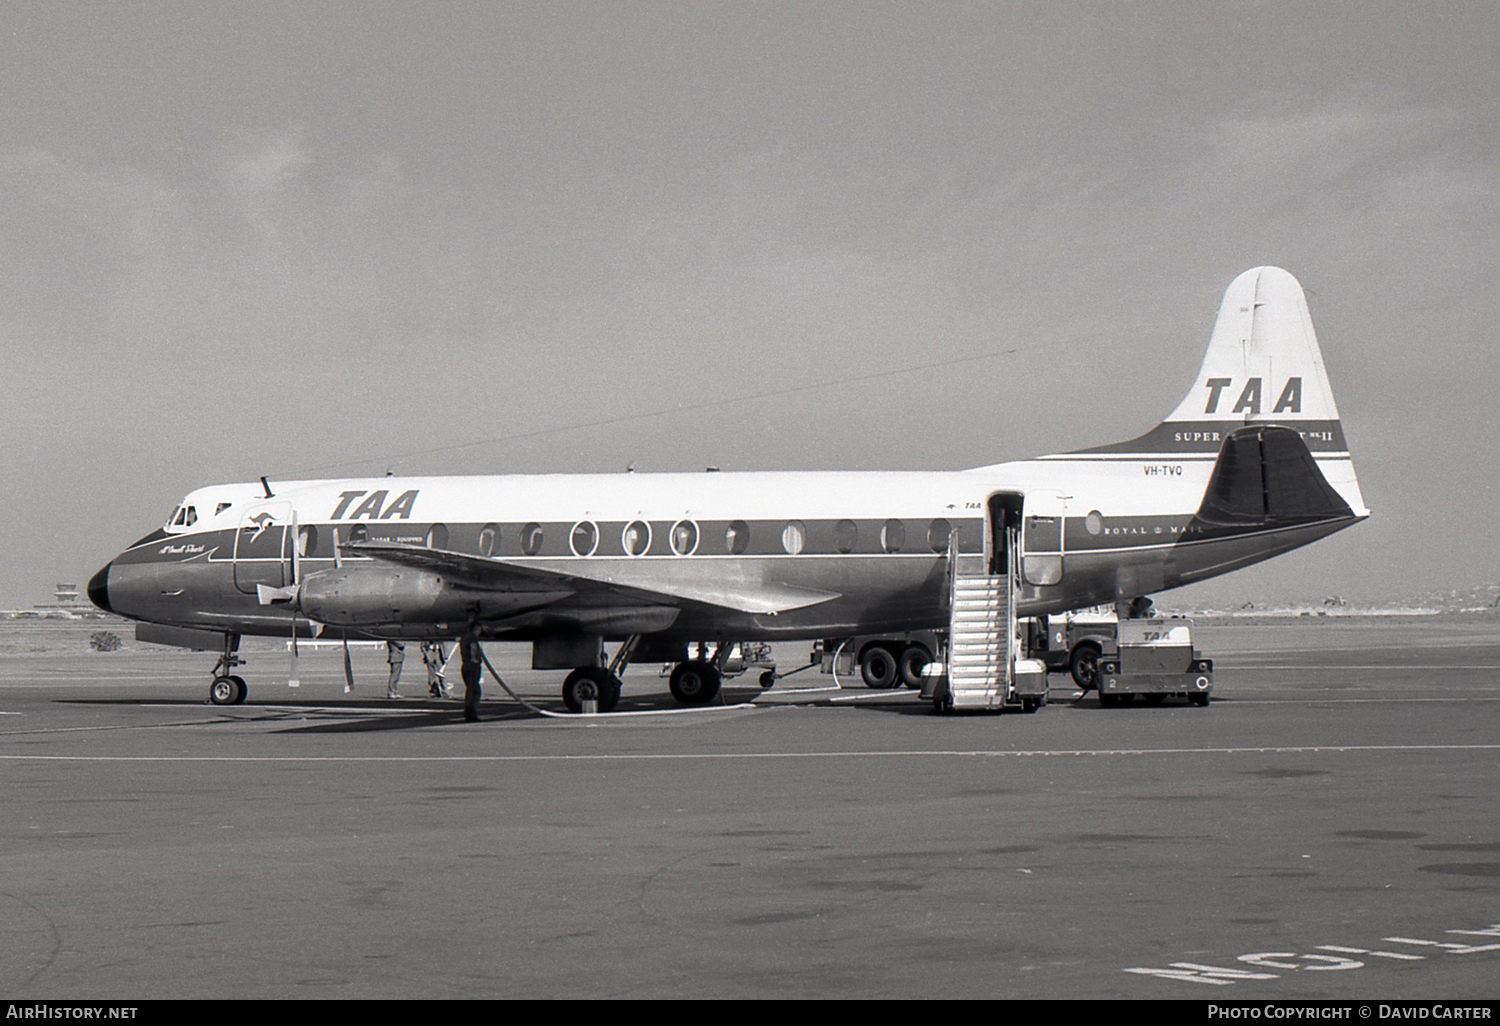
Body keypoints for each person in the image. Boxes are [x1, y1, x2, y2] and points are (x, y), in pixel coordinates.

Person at [459, 632, 482, 722]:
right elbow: (474, 650)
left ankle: (469, 713)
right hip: (472, 665)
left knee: (470, 689)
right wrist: (476, 661)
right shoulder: (472, 638)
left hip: (466, 665)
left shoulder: (464, 637)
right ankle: (471, 713)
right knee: (474, 691)